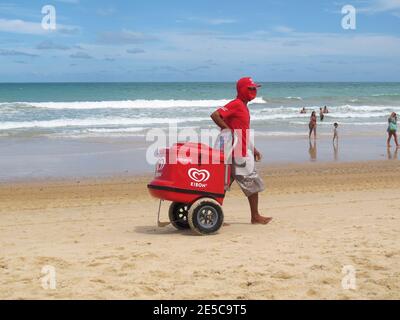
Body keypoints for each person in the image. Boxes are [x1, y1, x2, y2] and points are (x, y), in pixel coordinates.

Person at [211, 77, 272, 225]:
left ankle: (214, 216)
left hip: (236, 152)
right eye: (250, 88)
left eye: (255, 88)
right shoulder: (237, 104)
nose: (254, 91)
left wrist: (254, 149)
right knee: (252, 184)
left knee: (222, 186)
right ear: (243, 90)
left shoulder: (243, 107)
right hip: (238, 153)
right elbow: (215, 115)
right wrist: (227, 130)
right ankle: (255, 216)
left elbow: (242, 132)